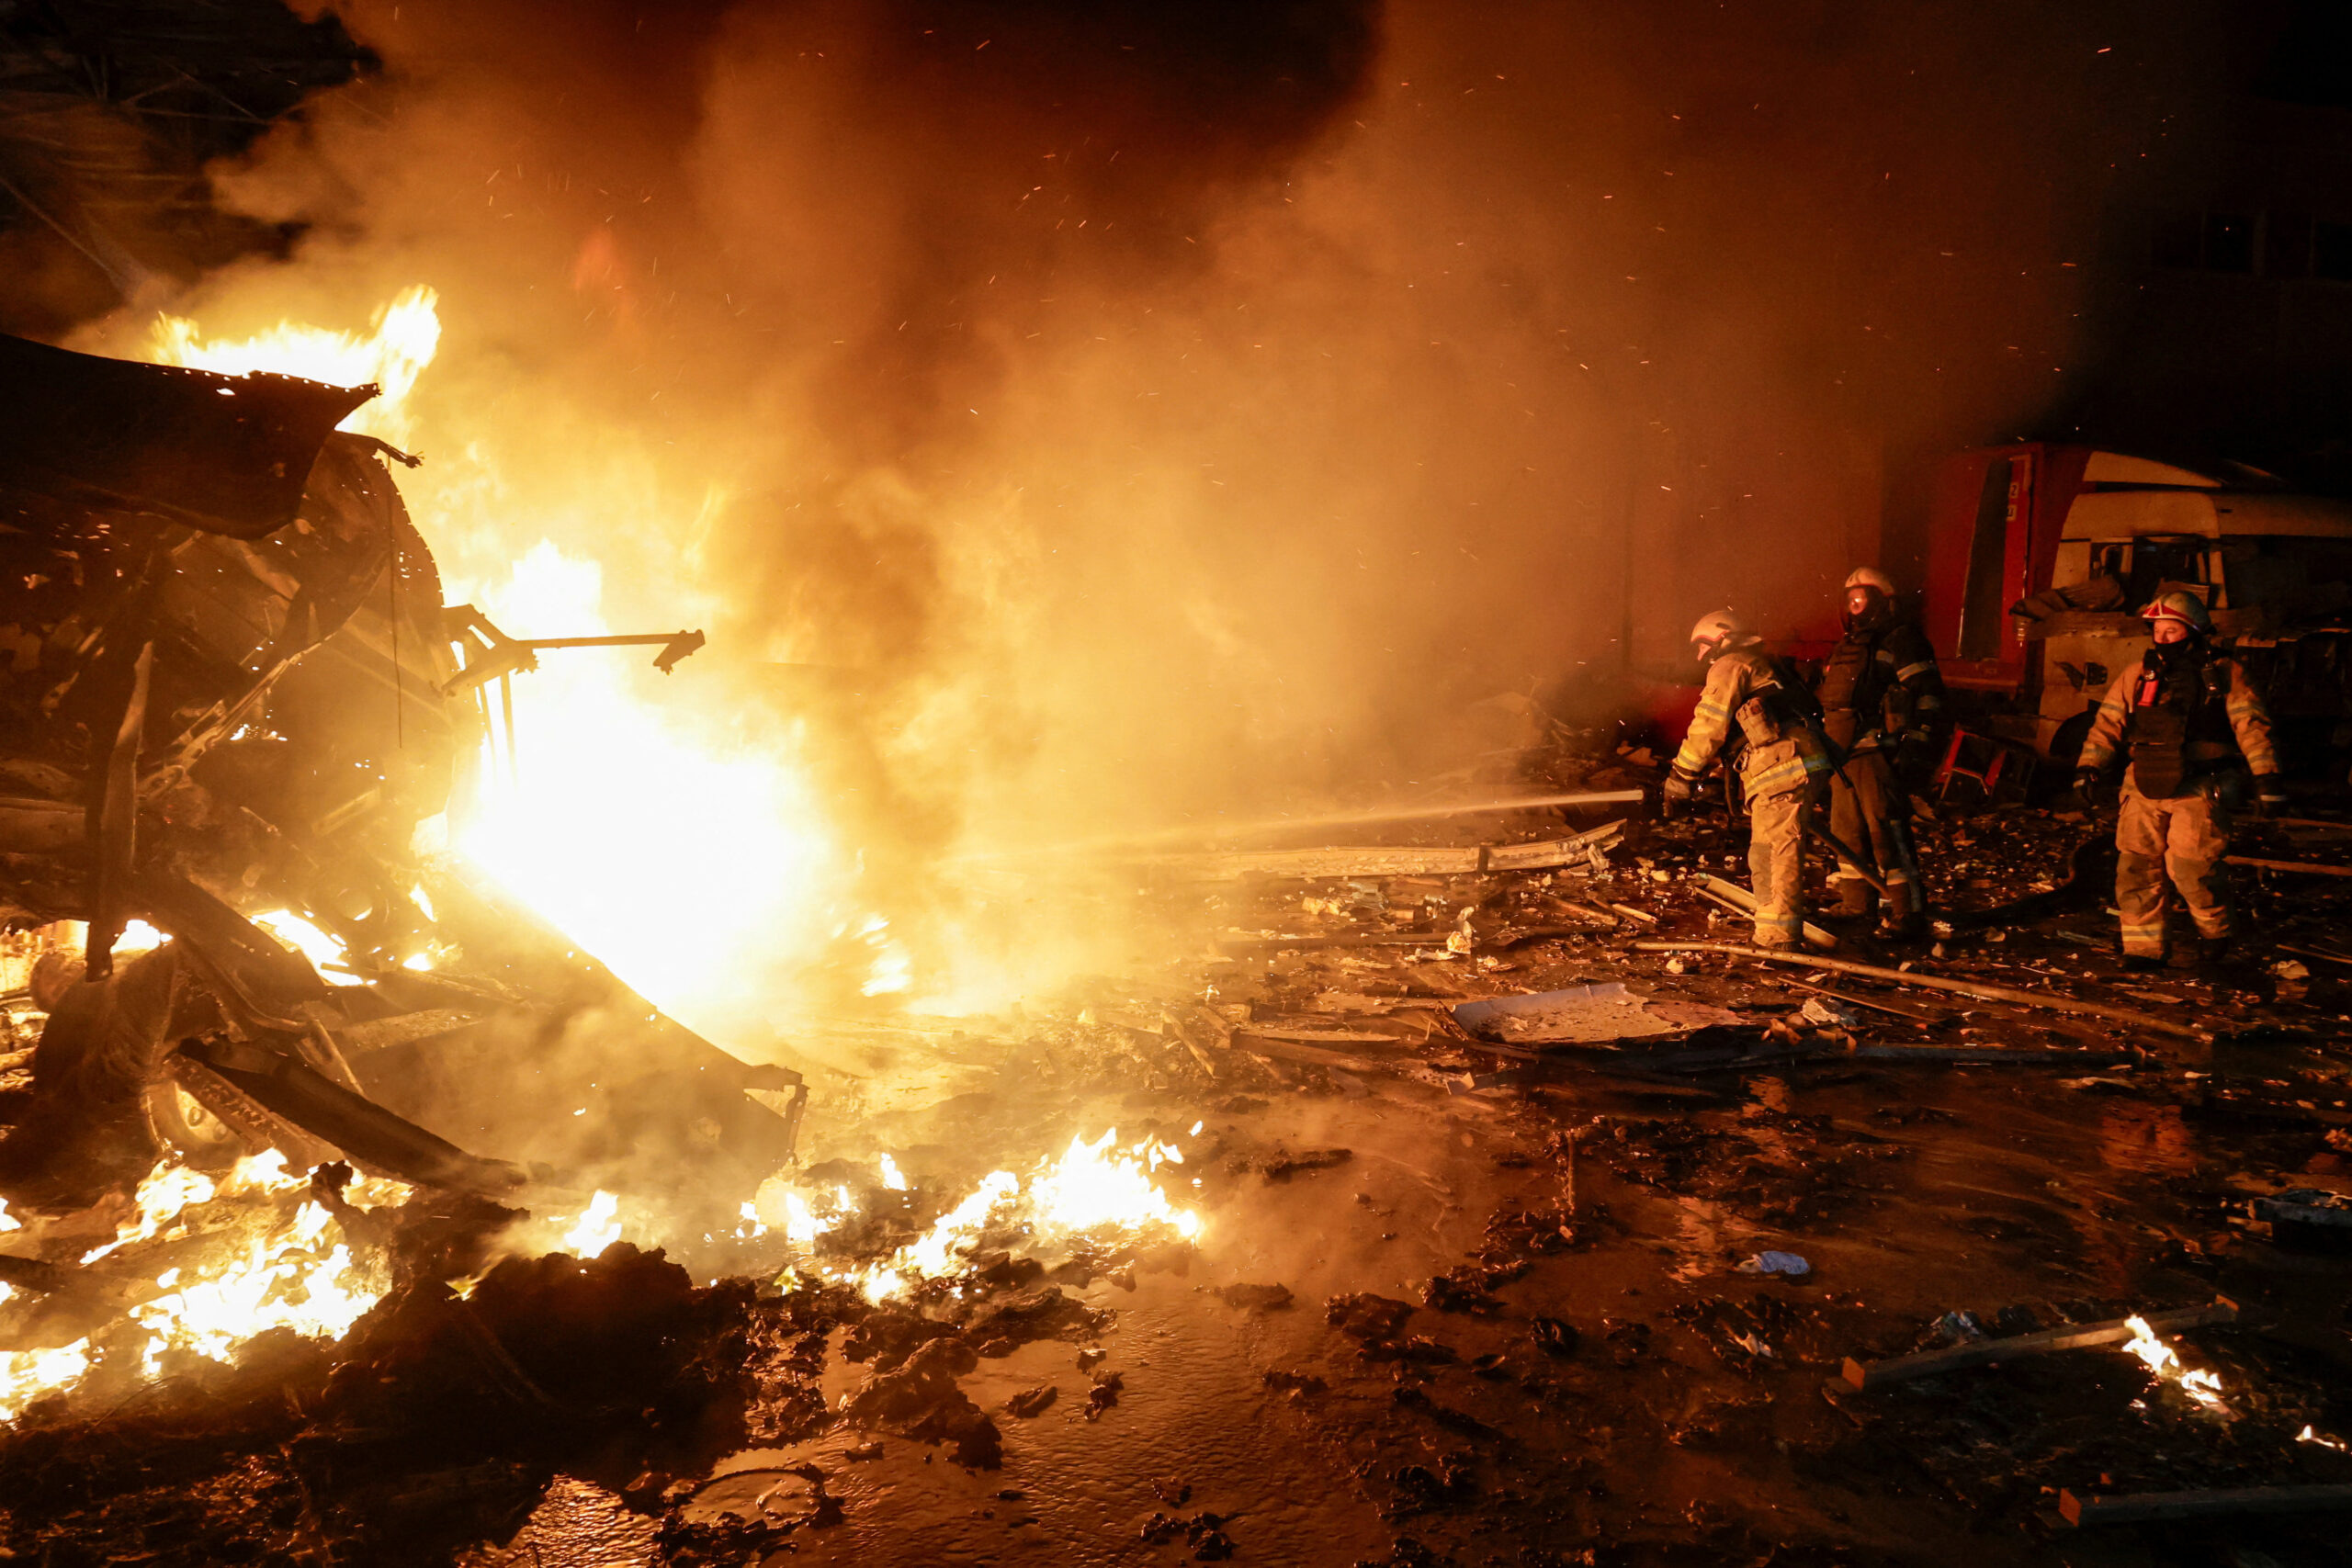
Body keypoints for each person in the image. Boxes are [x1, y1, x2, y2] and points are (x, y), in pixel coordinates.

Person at [2072, 590, 2286, 970]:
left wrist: (2266, 778)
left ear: (2194, 631)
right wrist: (2089, 767)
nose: (2163, 638)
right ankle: (2143, 950)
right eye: (2158, 631)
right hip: (2143, 781)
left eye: (2171, 631)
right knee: (2135, 867)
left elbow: (2251, 725)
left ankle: (2215, 931)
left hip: (2200, 785)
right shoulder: (2138, 674)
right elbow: (2108, 722)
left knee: (2192, 869)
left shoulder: (2225, 673)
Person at [1661, 609, 1832, 948]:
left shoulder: (1731, 664)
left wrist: (1682, 773)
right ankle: (1771, 930)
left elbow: (1709, 725)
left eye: (1703, 646)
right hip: (1794, 763)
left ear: (1720, 639)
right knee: (1766, 851)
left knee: (1775, 852)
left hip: (1783, 767)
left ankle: (1778, 937)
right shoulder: (1760, 664)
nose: (1701, 656)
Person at [1815, 566, 1947, 936]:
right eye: (1851, 598)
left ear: (1883, 601)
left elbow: (1928, 696)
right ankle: (1857, 903)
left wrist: (1915, 747)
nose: (1855, 604)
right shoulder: (1849, 645)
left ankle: (1908, 912)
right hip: (1842, 754)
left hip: (1877, 753)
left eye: (1862, 597)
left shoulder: (1902, 640)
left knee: (1886, 833)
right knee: (1846, 832)